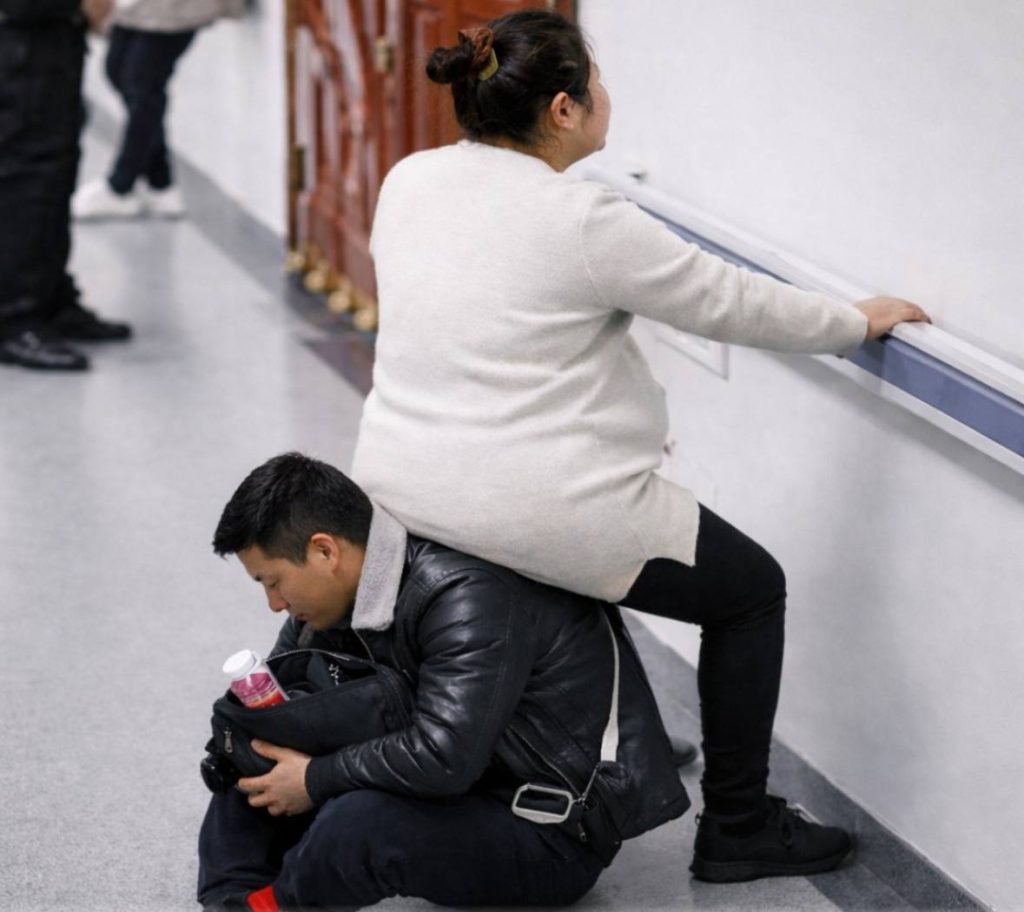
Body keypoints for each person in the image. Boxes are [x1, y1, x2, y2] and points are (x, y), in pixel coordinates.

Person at [351, 10, 932, 883]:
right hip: (522, 500)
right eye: (597, 80)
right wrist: (856, 320)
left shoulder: (411, 178)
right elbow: (730, 301)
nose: (605, 96)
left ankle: (621, 749)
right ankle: (739, 825)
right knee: (748, 592)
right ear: (563, 109)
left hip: (403, 482)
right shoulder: (584, 219)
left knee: (578, 573)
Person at [198, 452, 692, 911]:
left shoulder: (465, 595)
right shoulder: (329, 604)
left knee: (358, 826)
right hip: (446, 787)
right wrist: (246, 746)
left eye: (272, 581)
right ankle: (229, 900)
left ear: (325, 551)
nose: (274, 603)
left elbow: (444, 758)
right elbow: (287, 715)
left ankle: (276, 906)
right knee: (253, 758)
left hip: (544, 828)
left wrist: (313, 778)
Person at [0, 0, 133, 371]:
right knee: (26, 179)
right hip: (20, 31)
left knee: (55, 171)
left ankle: (50, 299)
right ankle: (14, 319)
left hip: (51, 32)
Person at [72, 0, 244, 220]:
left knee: (142, 82)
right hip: (135, 8)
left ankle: (120, 186)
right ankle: (160, 182)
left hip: (173, 8)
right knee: (118, 69)